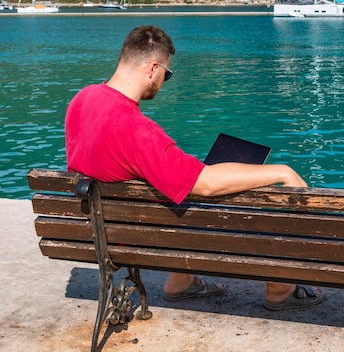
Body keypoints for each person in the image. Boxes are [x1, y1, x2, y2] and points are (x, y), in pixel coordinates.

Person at [65, 25, 323, 311]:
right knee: (236, 198)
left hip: (99, 227)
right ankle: (280, 288)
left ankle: (181, 281)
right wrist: (282, 171)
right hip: (134, 236)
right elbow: (206, 184)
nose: (164, 80)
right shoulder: (139, 131)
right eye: (167, 73)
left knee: (178, 193)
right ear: (153, 68)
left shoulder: (82, 99)